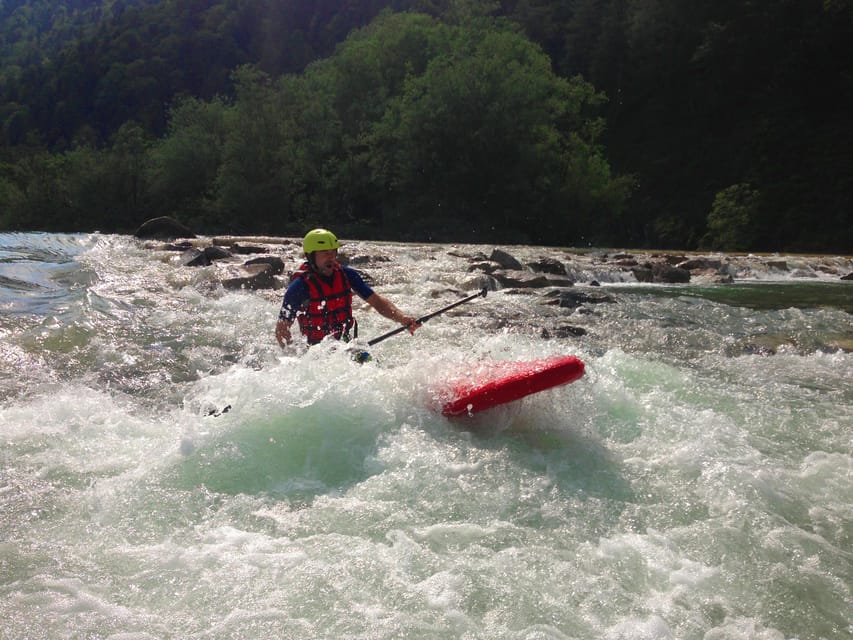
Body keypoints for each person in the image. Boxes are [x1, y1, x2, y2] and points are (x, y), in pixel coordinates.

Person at [275, 228, 419, 348]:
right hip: (315, 352)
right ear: (310, 256)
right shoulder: (299, 287)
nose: (330, 257)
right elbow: (282, 331)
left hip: (346, 344)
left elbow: (377, 302)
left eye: (333, 253)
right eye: (325, 253)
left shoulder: (347, 275)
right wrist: (295, 357)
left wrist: (402, 318)